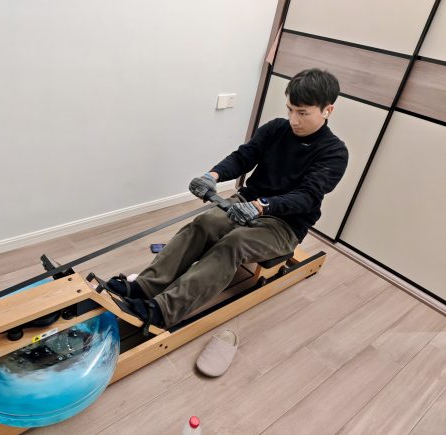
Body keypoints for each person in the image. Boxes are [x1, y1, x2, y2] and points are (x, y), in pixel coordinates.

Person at [107, 68, 349, 329]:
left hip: (285, 224)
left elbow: (307, 197)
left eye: (303, 113)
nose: (293, 119)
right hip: (245, 203)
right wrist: (211, 176)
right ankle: (144, 286)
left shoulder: (334, 152)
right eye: (290, 109)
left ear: (327, 110)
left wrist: (263, 206)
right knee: (204, 224)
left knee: (234, 243)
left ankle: (163, 310)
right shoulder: (276, 129)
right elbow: (243, 157)